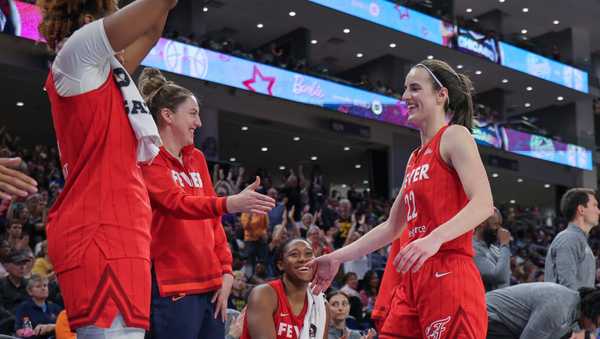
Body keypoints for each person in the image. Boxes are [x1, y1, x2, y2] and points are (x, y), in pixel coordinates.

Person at [309, 59, 493, 339]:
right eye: (405, 89)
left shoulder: (455, 136)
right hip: (413, 280)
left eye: (415, 88)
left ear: (441, 95)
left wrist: (434, 238)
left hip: (450, 272)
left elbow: (483, 204)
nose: (405, 96)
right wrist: (336, 257)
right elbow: (391, 228)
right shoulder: (414, 158)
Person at [36, 0, 178, 336]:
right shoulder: (76, 54)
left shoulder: (110, 71)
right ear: (89, 21)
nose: (122, 16)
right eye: (114, 9)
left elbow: (153, 27)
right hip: (97, 227)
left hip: (121, 225)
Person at [136, 67, 275, 339]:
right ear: (167, 115)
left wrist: (226, 273)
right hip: (173, 285)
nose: (199, 123)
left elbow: (212, 221)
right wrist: (230, 203)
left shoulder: (197, 158)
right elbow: (176, 203)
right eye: (193, 113)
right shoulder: (148, 156)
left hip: (212, 287)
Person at [242, 238, 328, 339]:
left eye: (308, 254)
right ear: (280, 265)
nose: (303, 259)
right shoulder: (264, 294)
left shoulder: (321, 305)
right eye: (294, 254)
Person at [486, 283, 600, 339]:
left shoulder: (572, 306)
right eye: (597, 324)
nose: (594, 329)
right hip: (488, 317)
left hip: (499, 320)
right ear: (591, 312)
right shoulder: (559, 309)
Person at [545, 188, 598, 290]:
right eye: (595, 205)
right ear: (581, 210)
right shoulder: (569, 238)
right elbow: (567, 289)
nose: (598, 211)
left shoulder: (579, 240)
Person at [473, 208, 511, 291]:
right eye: (496, 224)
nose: (500, 230)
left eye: (500, 225)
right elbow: (499, 277)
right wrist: (505, 244)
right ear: (482, 222)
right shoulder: (472, 247)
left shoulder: (493, 248)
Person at [14, 274, 62, 339]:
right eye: (38, 286)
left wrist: (52, 327)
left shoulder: (55, 307)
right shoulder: (24, 308)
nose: (43, 288)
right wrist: (33, 332)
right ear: (30, 291)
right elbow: (20, 331)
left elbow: (65, 326)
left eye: (45, 285)